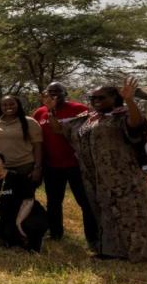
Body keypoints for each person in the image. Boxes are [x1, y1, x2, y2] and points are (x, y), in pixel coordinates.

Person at [49, 78, 147, 262]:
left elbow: (136, 124)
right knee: (104, 214)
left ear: (114, 98)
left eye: (101, 97)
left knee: (131, 213)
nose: (95, 100)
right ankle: (111, 251)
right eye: (92, 97)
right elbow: (60, 130)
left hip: (124, 177)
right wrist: (51, 110)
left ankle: (143, 253)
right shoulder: (87, 119)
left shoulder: (122, 115)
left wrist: (129, 100)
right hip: (96, 178)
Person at [33, 82, 98, 245]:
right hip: (52, 166)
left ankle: (93, 238)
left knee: (85, 201)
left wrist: (52, 111)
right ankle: (55, 234)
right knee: (54, 201)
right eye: (50, 93)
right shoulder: (39, 113)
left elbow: (84, 134)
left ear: (65, 94)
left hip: (75, 165)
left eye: (57, 92)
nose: (53, 96)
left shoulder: (79, 109)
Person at [0, 150, 48, 252]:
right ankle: (21, 240)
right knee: (5, 234)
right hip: (9, 215)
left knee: (28, 226)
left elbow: (29, 200)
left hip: (30, 213)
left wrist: (18, 222)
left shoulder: (16, 177)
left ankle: (35, 243)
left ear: (3, 163)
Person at [0, 96, 43, 183]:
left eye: (12, 104)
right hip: (2, 167)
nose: (8, 107)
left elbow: (38, 146)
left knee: (25, 195)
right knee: (4, 195)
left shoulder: (29, 122)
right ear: (0, 107)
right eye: (4, 105)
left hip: (24, 166)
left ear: (18, 105)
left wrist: (37, 168)